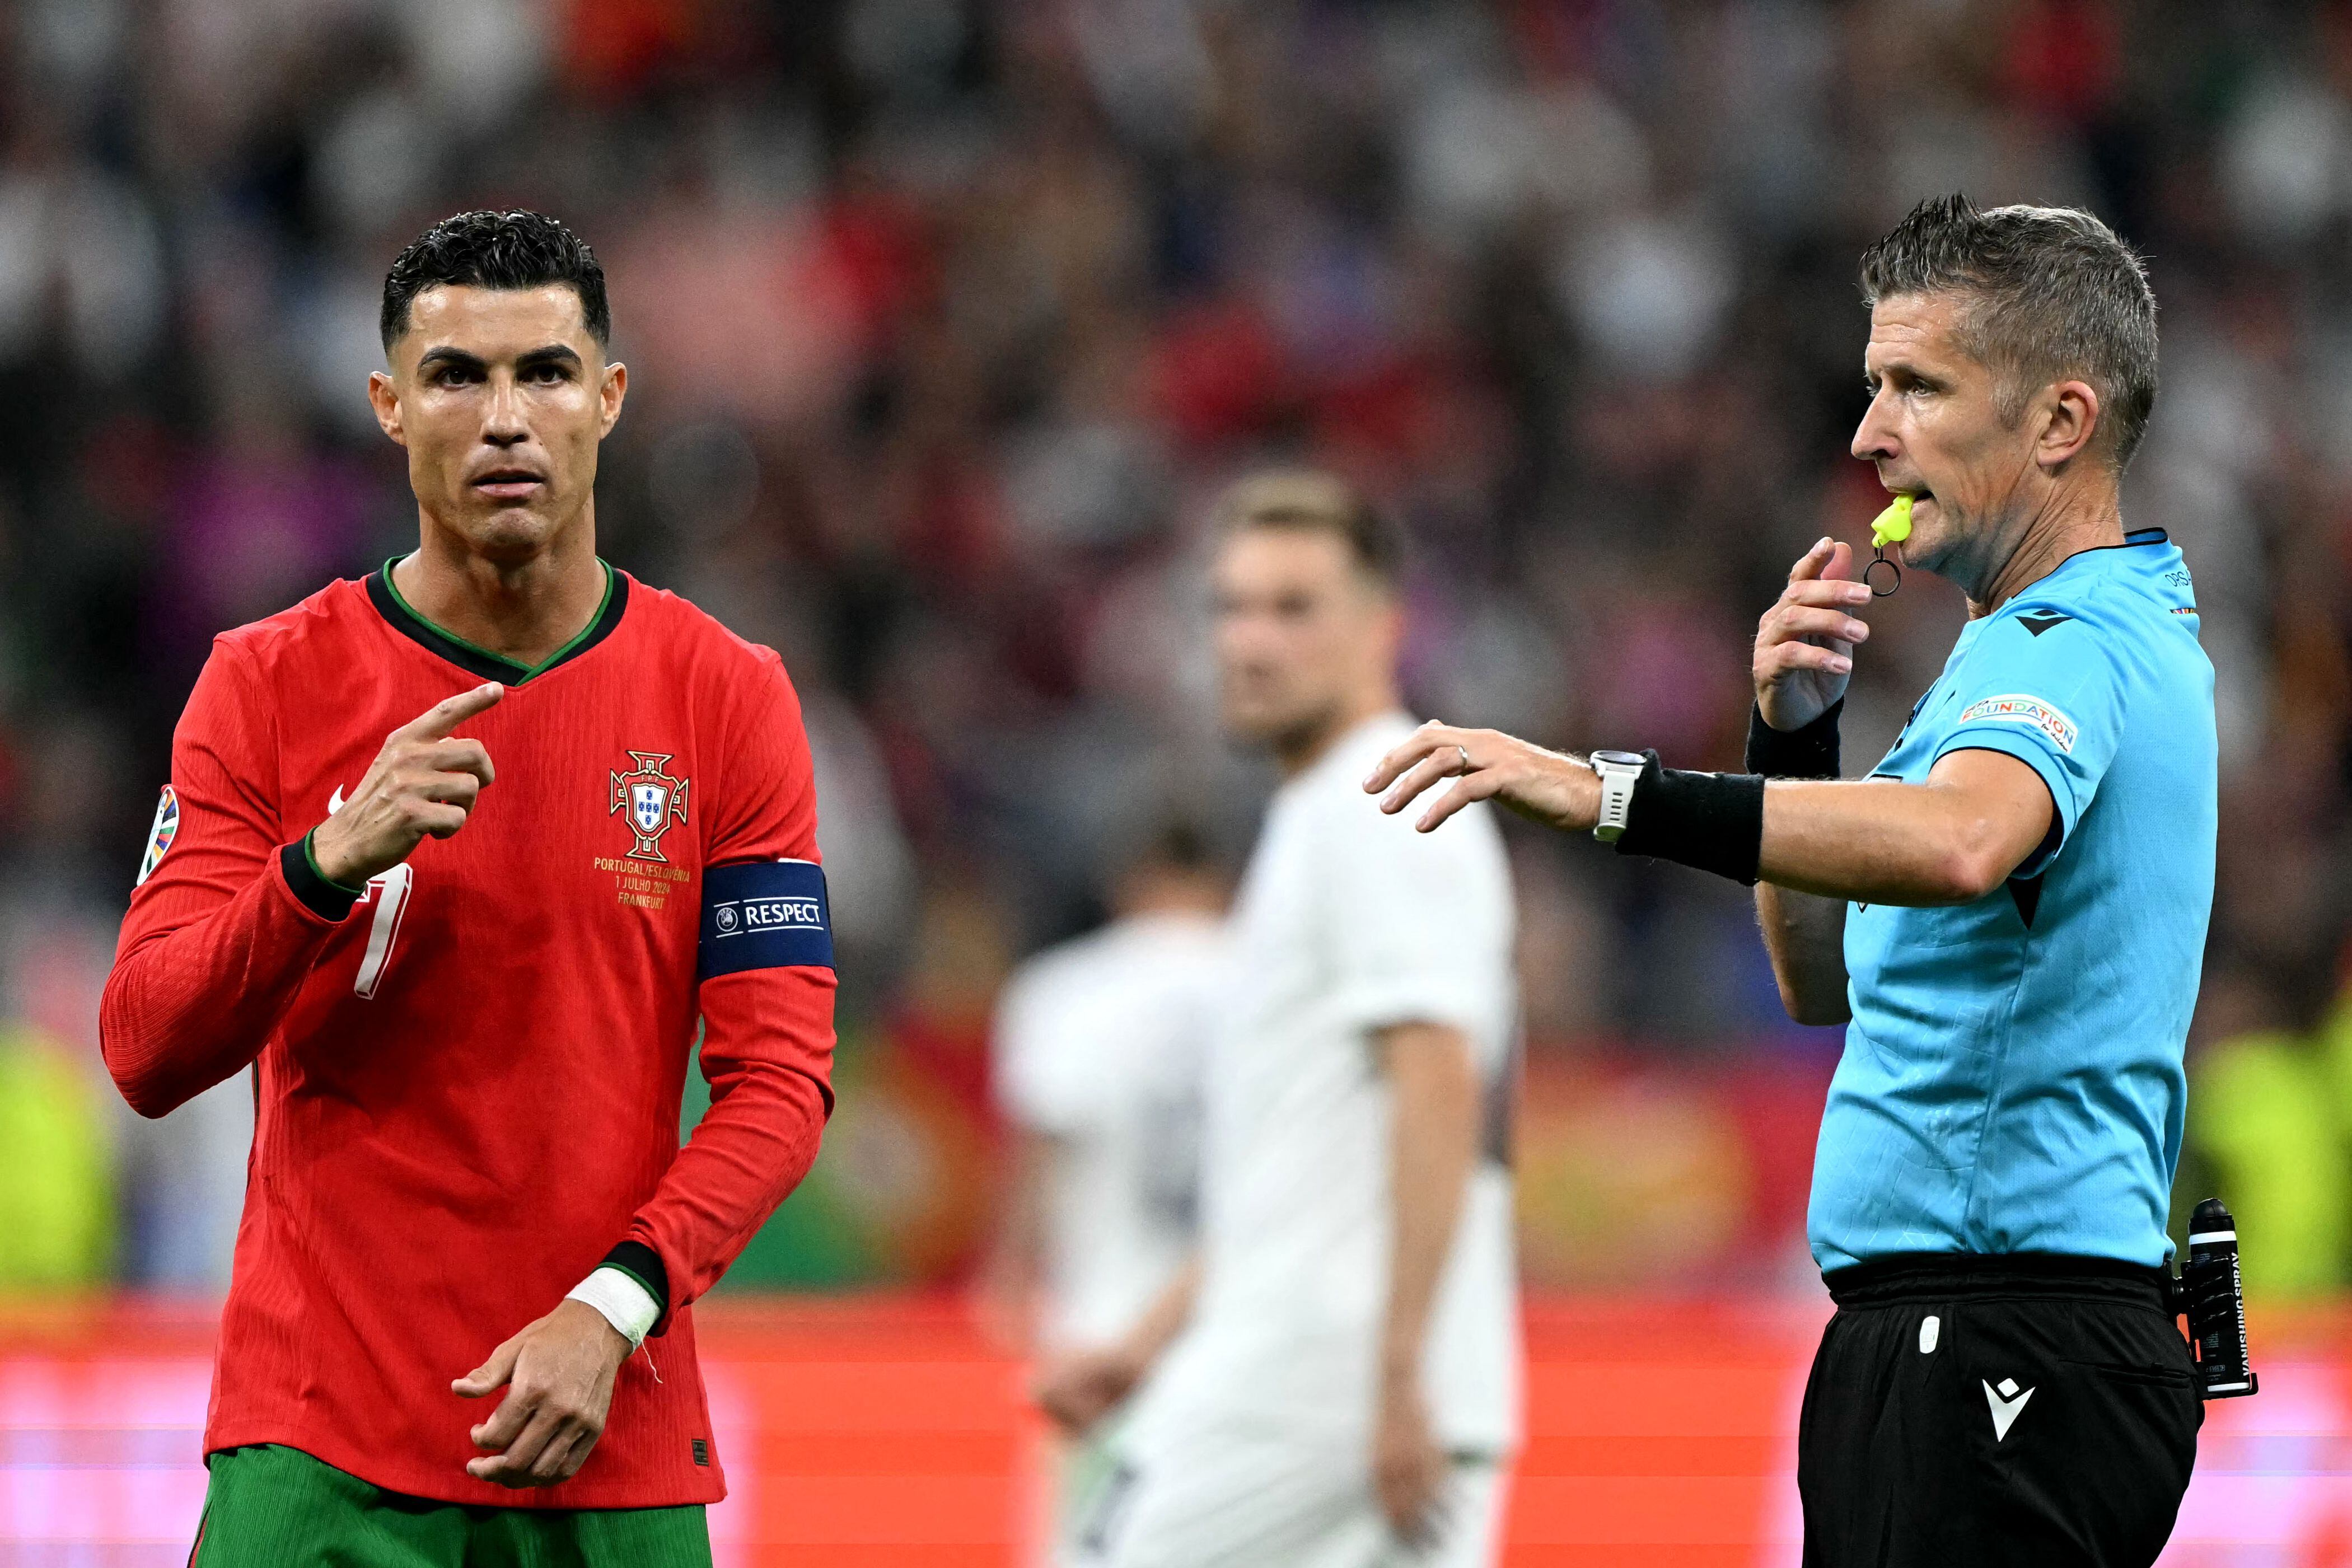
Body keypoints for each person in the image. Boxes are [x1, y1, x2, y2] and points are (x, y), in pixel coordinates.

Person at [1368, 194, 2214, 1567]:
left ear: (2060, 422)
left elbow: (1957, 842)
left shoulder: (2068, 640)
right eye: (1873, 385)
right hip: (1953, 1326)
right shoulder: (2019, 650)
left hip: (1999, 1327)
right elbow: (1817, 982)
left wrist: (1609, 792)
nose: (1869, 435)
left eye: (1917, 387)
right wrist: (1793, 739)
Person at [100, 210, 838, 1566]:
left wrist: (616, 1305)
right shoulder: (266, 684)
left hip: (609, 1443)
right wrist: (322, 866)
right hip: (323, 1454)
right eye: (455, 377)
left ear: (609, 398)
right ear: (389, 406)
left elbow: (781, 1084)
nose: (505, 418)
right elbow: (144, 1046)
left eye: (545, 372)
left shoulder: (725, 699)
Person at [1041, 471, 1521, 1568]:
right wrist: (1145, 1345)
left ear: (1384, 626)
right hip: (1342, 1383)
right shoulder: (1324, 814)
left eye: (1294, 608)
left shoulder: (1386, 803)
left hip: (1317, 1392)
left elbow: (1438, 1076)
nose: (1250, 642)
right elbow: (1291, 1166)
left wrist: (1398, 1374)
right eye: (1231, 607)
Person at [985, 821, 1228, 1562]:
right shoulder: (1270, 978)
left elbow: (1041, 1146)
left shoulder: (1066, 988)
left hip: (1102, 1327)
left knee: (1092, 1547)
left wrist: (1009, 1271)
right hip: (1239, 1331)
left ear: (1129, 881)